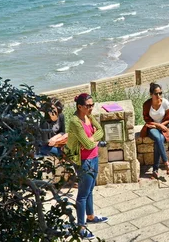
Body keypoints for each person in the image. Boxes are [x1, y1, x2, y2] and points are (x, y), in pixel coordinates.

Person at [66, 93, 108, 240]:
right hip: (84, 161)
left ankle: (90, 216)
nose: (91, 108)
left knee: (90, 190)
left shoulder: (89, 117)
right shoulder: (75, 122)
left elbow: (101, 131)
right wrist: (93, 140)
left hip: (94, 157)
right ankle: (81, 228)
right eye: (88, 106)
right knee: (82, 195)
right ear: (80, 107)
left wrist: (92, 139)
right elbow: (88, 144)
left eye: (92, 105)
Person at [140, 83, 169, 178]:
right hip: (152, 127)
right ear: (151, 94)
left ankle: (155, 169)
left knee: (159, 141)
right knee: (158, 138)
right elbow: (147, 120)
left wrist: (161, 126)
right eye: (156, 93)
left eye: (160, 93)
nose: (158, 96)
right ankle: (166, 162)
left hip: (163, 126)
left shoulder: (165, 103)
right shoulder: (147, 105)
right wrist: (157, 125)